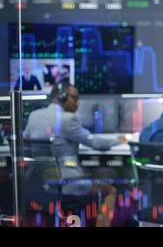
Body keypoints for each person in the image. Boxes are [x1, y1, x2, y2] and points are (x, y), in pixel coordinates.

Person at [23, 81, 128, 227]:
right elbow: (96, 144)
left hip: (40, 183)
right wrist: (119, 140)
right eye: (75, 98)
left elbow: (26, 144)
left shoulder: (34, 116)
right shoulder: (67, 119)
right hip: (66, 183)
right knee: (110, 190)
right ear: (62, 96)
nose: (78, 103)